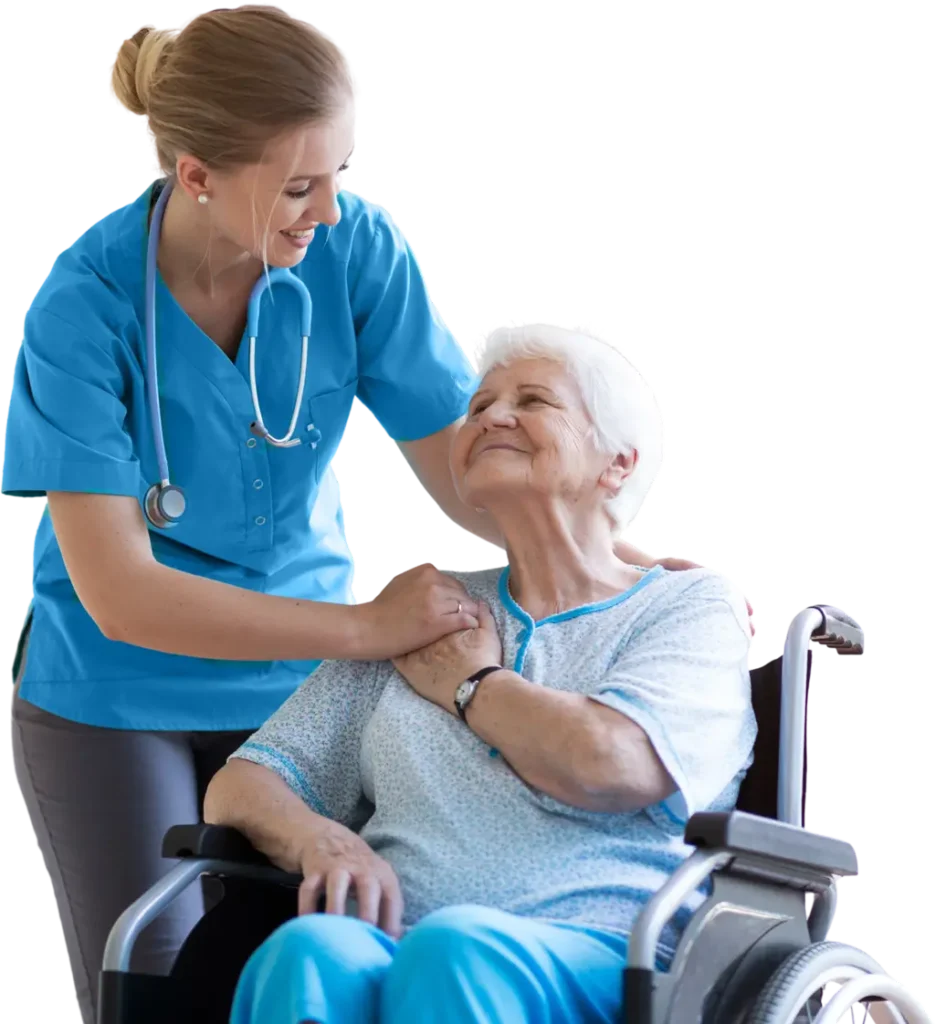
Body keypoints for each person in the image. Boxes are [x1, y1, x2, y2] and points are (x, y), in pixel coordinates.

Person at [1, 9, 755, 1024]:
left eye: (338, 175)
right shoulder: (80, 307)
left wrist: (597, 544)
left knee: (355, 936)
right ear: (195, 177)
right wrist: (364, 632)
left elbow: (460, 450)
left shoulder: (353, 250)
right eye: (298, 188)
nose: (327, 210)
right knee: (166, 975)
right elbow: (123, 594)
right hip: (115, 680)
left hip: (301, 658)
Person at [204, 322, 758, 1024]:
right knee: (311, 951)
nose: (492, 415)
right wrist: (318, 837)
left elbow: (611, 763)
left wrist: (474, 687)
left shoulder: (684, 607)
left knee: (454, 947)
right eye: (478, 406)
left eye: (532, 401)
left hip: (606, 954)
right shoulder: (425, 612)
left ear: (616, 464)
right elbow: (247, 780)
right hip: (399, 943)